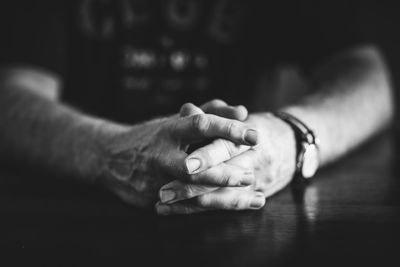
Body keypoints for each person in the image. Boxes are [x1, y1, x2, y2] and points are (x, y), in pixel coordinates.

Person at [0, 0, 394, 215]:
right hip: (76, 213)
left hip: (241, 210)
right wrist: (111, 153)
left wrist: (286, 140)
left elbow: (371, 78)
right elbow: (11, 97)